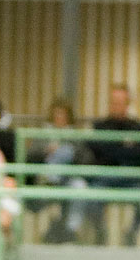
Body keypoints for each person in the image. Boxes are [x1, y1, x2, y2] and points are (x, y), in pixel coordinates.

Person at [89, 82, 140, 245]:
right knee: (90, 197)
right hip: (105, 176)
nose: (116, 106)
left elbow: (139, 153)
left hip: (133, 178)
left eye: (120, 102)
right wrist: (124, 148)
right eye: (113, 102)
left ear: (127, 104)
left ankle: (131, 233)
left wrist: (113, 149)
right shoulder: (99, 127)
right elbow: (100, 153)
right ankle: (101, 232)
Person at [27, 97, 95, 244]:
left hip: (69, 178)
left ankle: (71, 229)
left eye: (63, 114)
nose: (60, 118)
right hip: (45, 179)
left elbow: (85, 157)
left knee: (80, 187)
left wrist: (68, 152)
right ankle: (53, 178)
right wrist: (46, 151)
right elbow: (30, 155)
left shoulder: (75, 136)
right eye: (57, 114)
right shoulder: (42, 135)